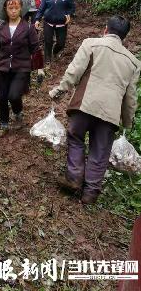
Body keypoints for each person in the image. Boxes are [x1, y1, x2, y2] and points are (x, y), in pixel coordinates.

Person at [49, 16, 140, 204]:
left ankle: (74, 178)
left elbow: (74, 71)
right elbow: (130, 96)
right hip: (110, 114)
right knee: (100, 151)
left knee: (76, 139)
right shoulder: (133, 62)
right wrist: (127, 121)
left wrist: (60, 89)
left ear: (105, 29)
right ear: (124, 37)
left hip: (84, 104)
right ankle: (90, 193)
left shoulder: (91, 44)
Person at [0, 0, 40, 137]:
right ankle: (4, 124)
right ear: (6, 10)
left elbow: (35, 48)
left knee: (14, 95)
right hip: (3, 67)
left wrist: (40, 68)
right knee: (1, 97)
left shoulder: (28, 28)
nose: (13, 11)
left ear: (21, 9)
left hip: (21, 68)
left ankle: (18, 112)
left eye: (16, 8)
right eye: (10, 8)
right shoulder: (1, 28)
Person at [35, 0, 75, 65]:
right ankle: (47, 59)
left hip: (62, 23)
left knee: (61, 43)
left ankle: (55, 51)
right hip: (48, 22)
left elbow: (72, 7)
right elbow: (41, 9)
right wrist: (37, 19)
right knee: (48, 41)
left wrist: (68, 14)